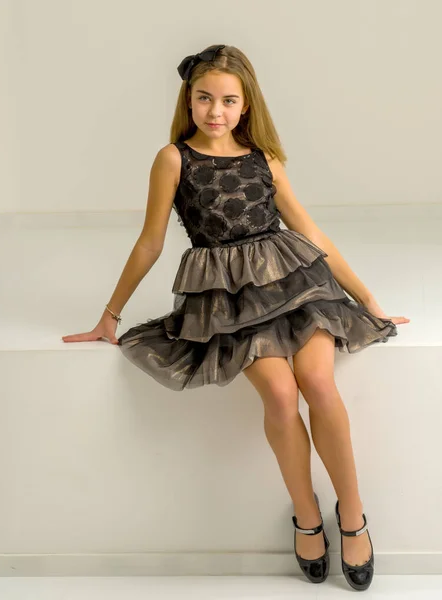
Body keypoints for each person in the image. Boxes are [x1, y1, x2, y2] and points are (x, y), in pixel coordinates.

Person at [62, 44, 410, 591]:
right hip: (226, 298)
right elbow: (151, 242)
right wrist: (110, 314)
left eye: (227, 101)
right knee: (278, 394)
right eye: (204, 98)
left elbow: (310, 233)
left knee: (317, 380)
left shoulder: (265, 159)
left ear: (245, 105)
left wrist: (365, 297)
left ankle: (353, 516)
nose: (215, 111)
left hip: (295, 282)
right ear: (189, 100)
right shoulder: (173, 159)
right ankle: (307, 516)